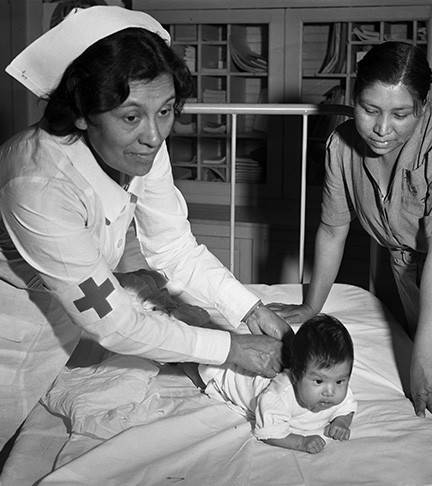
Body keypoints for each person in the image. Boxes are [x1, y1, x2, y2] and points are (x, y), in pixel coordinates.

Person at [0, 5, 292, 451]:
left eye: (167, 111)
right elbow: (113, 321)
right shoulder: (38, 184)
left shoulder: (139, 147)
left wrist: (249, 310)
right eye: (131, 116)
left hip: (65, 311)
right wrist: (229, 348)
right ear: (82, 113)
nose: (155, 136)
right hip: (11, 325)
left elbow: (172, 248)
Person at [269, 41, 432, 429]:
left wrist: (424, 362)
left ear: (422, 106)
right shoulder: (341, 145)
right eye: (370, 110)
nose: (382, 129)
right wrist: (311, 307)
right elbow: (333, 229)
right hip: (405, 264)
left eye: (401, 114)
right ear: (354, 99)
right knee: (421, 383)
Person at [183, 314, 357, 454]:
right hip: (231, 373)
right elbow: (269, 433)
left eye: (340, 381)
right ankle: (182, 343)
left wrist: (342, 422)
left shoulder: (337, 390)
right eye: (318, 381)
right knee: (201, 372)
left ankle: (191, 326)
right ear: (295, 375)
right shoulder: (279, 396)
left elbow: (347, 407)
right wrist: (301, 442)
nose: (330, 391)